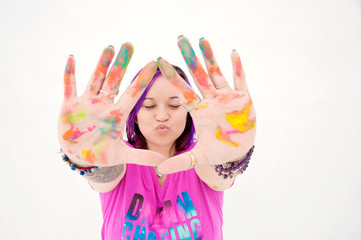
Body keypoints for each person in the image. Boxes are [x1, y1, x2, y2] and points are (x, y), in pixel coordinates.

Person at [58, 36, 256, 239]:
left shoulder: (202, 160)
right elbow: (103, 175)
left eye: (174, 105)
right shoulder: (119, 160)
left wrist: (233, 155)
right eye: (149, 106)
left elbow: (217, 175)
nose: (162, 116)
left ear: (190, 112)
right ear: (134, 115)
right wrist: (84, 158)